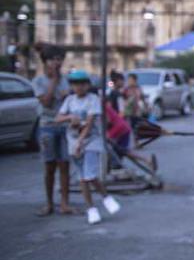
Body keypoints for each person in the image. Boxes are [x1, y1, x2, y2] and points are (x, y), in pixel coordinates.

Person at [55, 70, 121, 225]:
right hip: (73, 140)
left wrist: (80, 142)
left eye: (82, 84)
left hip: (91, 141)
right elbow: (58, 118)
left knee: (89, 175)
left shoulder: (93, 99)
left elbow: (90, 122)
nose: (79, 87)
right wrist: (70, 117)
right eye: (75, 84)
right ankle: (91, 209)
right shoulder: (70, 100)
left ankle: (106, 197)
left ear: (87, 85)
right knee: (82, 178)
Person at [31, 45, 73, 216]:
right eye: (54, 59)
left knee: (65, 165)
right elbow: (46, 102)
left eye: (60, 59)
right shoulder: (39, 81)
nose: (58, 62)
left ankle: (64, 203)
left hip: (64, 127)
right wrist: (54, 81)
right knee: (49, 167)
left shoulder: (67, 80)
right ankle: (49, 203)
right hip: (47, 126)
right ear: (45, 62)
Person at [105, 101, 156, 171]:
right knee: (123, 151)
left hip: (118, 129)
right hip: (123, 127)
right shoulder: (103, 105)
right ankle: (147, 160)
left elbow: (108, 120)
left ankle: (146, 160)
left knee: (114, 149)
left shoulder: (101, 107)